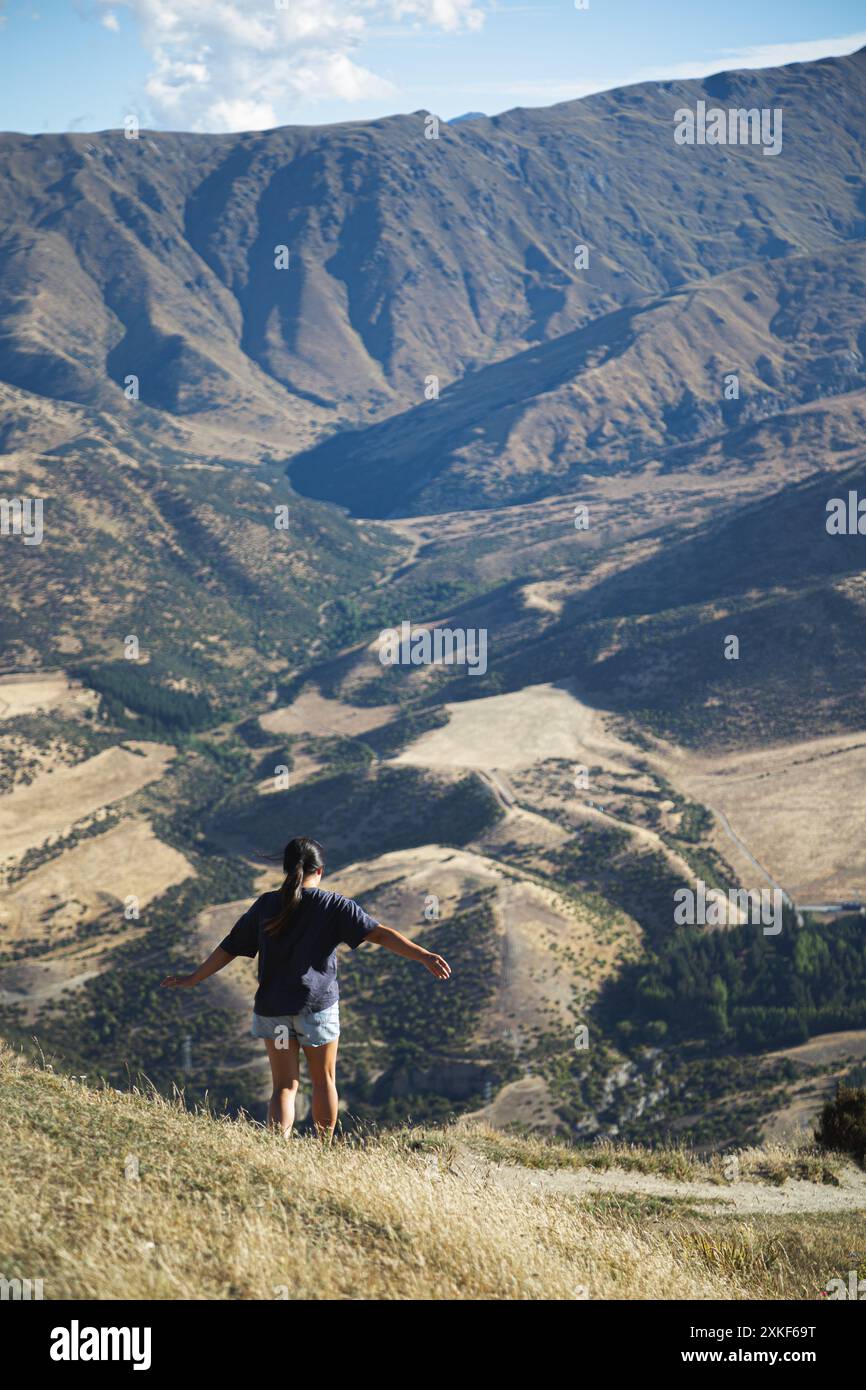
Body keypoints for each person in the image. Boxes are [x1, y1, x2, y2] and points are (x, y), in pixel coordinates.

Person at [161, 835, 451, 1140]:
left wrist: (194, 978)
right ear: (320, 870)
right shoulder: (334, 905)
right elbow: (379, 935)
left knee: (285, 1087)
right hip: (316, 1010)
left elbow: (230, 947)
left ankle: (278, 1149)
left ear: (286, 870)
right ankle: (323, 1148)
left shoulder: (266, 904)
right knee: (324, 1079)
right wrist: (424, 956)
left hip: (274, 1012)